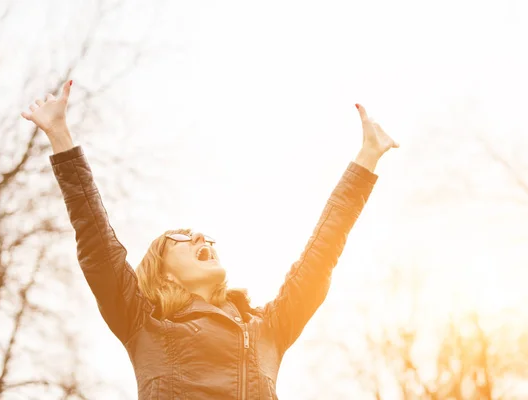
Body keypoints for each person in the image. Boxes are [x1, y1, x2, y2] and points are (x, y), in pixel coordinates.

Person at [21, 80, 399, 400]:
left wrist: (366, 159)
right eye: (180, 237)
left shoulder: (269, 328)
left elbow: (321, 254)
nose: (201, 236)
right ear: (164, 274)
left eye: (204, 236)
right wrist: (60, 137)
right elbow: (98, 244)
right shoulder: (143, 323)